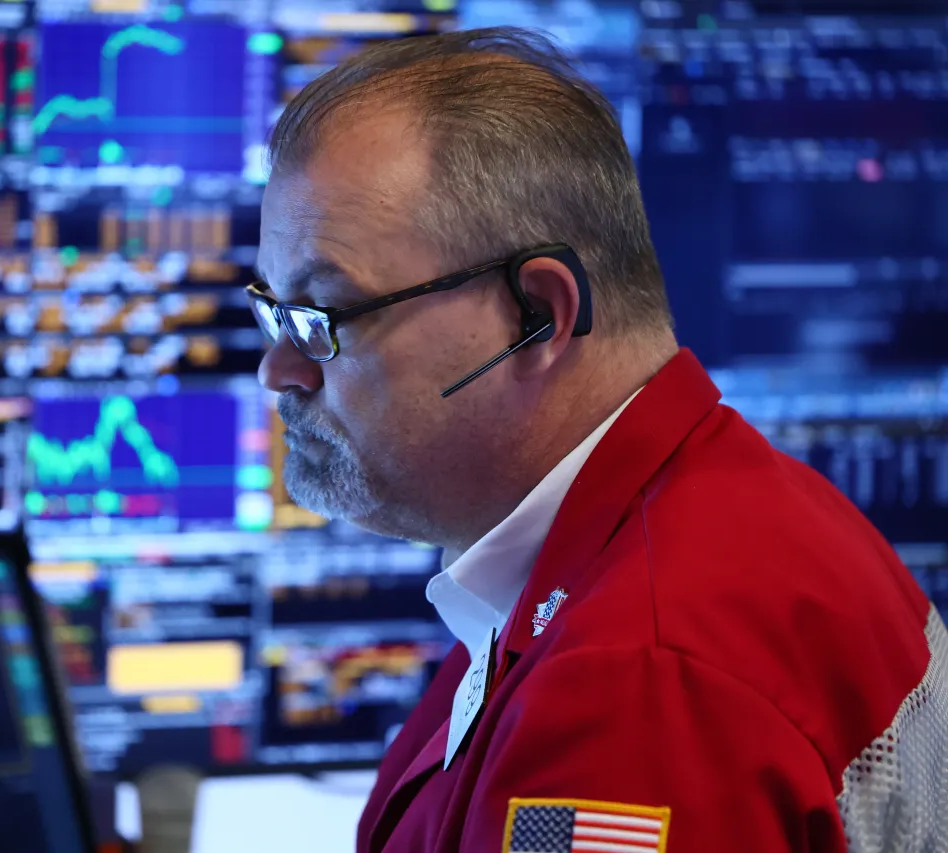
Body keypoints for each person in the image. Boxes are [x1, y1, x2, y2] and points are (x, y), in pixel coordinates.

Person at [246, 26, 947, 853]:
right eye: (273, 311)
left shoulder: (630, 690)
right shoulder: (720, 501)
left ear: (536, 315)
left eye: (323, 317)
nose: (278, 369)